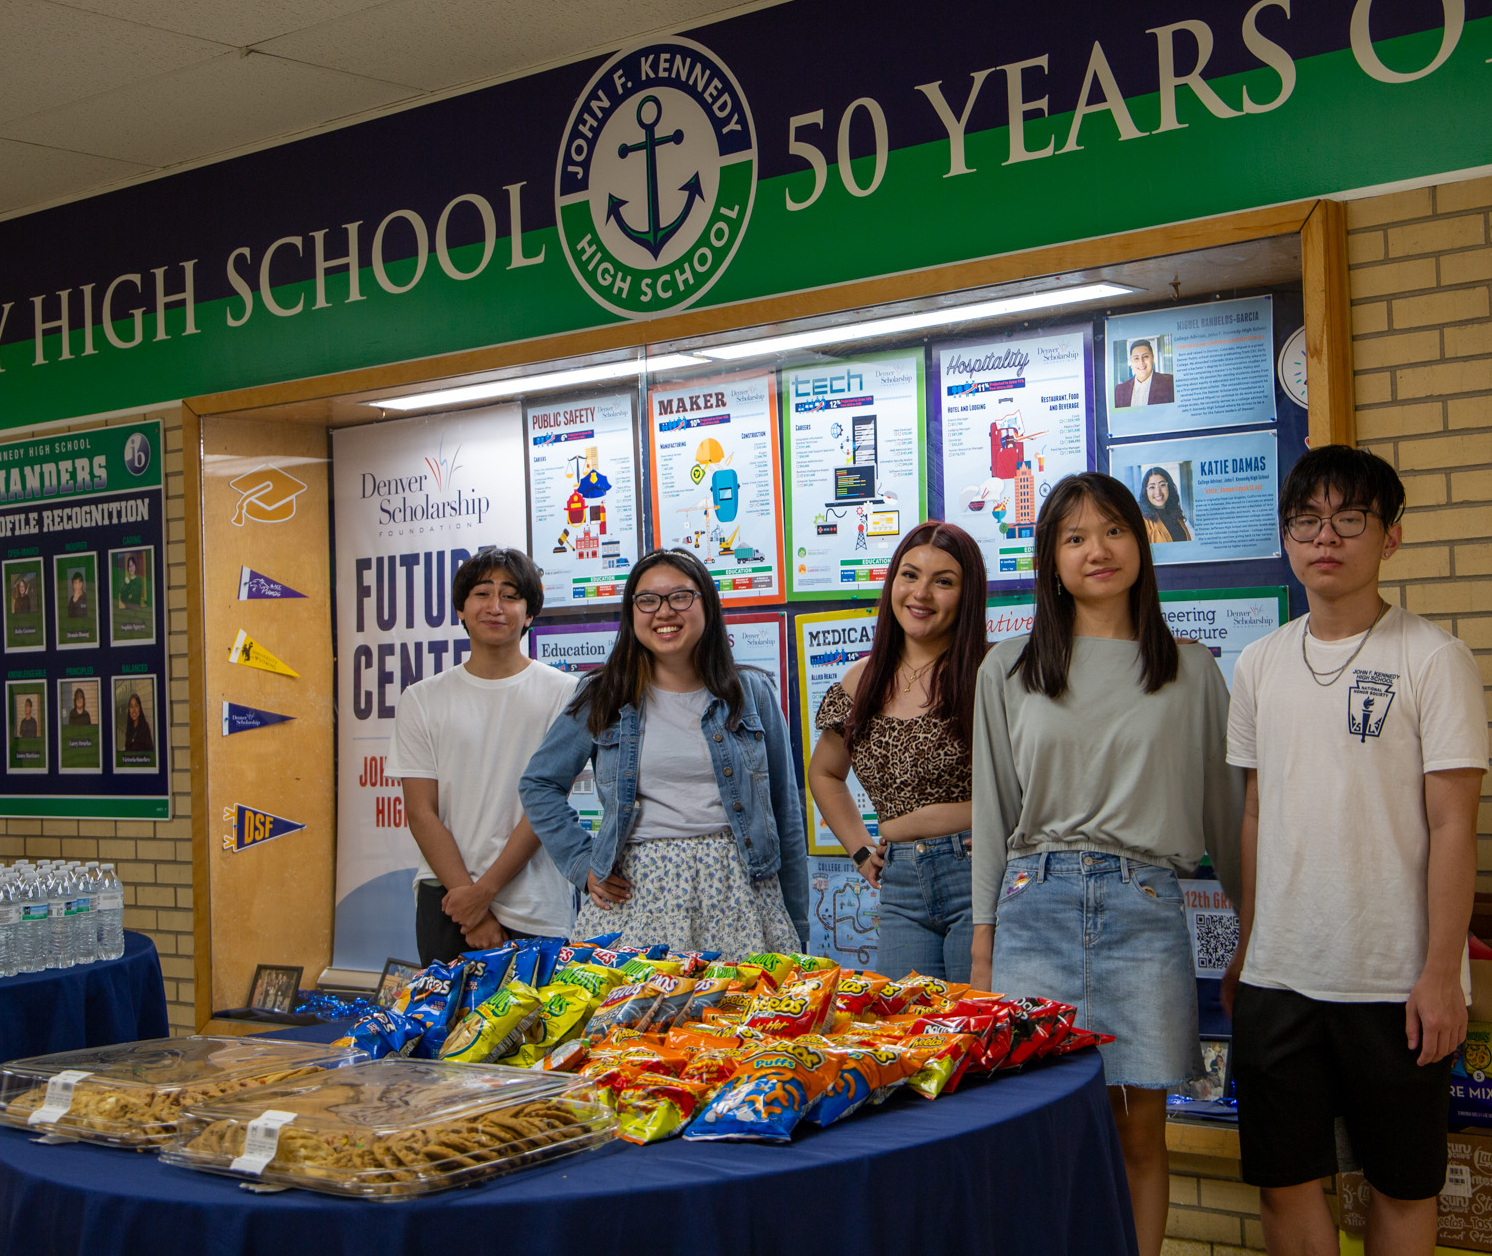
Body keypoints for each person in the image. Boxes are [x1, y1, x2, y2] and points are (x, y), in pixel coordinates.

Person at [1222, 446, 1488, 1256]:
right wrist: (1246, 946)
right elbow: (1259, 815)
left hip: (1395, 979)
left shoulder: (1434, 658)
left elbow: (1454, 827)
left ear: (1390, 536)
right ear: (1288, 536)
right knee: (1286, 1180)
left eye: (1349, 519)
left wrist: (1442, 973)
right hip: (1280, 973)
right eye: (1306, 520)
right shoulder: (1260, 662)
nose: (1325, 537)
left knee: (1402, 1184)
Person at [970, 471, 1242, 1256]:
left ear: (1143, 541)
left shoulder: (1191, 672)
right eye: (1075, 536)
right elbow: (994, 816)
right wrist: (984, 947)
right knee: (1034, 1126)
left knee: (1140, 1131)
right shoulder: (1008, 668)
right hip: (1034, 904)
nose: (1099, 550)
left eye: (1115, 530)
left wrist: (1250, 935)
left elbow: (1227, 819)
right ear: (1050, 558)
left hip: (1145, 908)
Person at [519, 548, 808, 954]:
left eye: (680, 597)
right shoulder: (604, 695)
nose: (664, 612)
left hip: (741, 894)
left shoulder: (751, 693)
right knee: (634, 1017)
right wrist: (583, 865)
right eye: (648, 600)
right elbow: (538, 783)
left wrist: (797, 925)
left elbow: (787, 814)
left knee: (738, 1016)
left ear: (707, 604)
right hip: (638, 897)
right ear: (632, 612)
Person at [808, 521, 990, 980]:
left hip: (981, 875)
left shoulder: (993, 670)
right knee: (911, 1037)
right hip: (902, 884)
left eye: (943, 581)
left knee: (973, 1033)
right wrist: (859, 850)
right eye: (909, 575)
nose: (921, 593)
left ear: (966, 595)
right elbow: (824, 774)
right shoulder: (860, 680)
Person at [391, 548, 576, 965]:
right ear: (461, 607)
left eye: (510, 595)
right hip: (447, 901)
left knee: (536, 1029)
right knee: (446, 1030)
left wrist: (485, 892)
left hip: (533, 902)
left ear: (529, 614)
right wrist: (469, 906)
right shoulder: (421, 699)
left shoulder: (565, 694)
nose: (495, 607)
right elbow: (421, 812)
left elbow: (547, 805)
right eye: (482, 593)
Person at [1112, 337, 1175, 408]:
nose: (1141, 362)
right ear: (1131, 363)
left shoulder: (1170, 383)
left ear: (1153, 359)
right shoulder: (1120, 390)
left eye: (1145, 356)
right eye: (1136, 358)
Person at [1138, 466, 1192, 542]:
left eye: (1162, 485)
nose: (1158, 492)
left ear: (1169, 487)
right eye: (1152, 487)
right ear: (1145, 492)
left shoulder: (1176, 515)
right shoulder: (1143, 523)